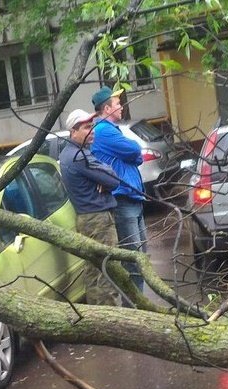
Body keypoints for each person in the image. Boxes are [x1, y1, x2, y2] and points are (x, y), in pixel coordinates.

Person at [58, 109, 123, 306]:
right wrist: (104, 176)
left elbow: (108, 178)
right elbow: (114, 179)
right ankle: (112, 322)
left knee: (94, 270)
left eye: (93, 126)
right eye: (87, 127)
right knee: (107, 270)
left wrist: (103, 175)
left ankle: (100, 318)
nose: (92, 131)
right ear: (73, 131)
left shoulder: (72, 153)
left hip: (89, 219)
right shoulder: (79, 156)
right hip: (98, 220)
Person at [90, 86, 147, 293]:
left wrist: (133, 154)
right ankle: (136, 311)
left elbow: (137, 156)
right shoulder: (102, 131)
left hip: (133, 199)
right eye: (117, 104)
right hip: (123, 201)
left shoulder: (112, 129)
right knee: (134, 261)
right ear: (106, 108)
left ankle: (141, 307)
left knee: (141, 257)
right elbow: (134, 149)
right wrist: (133, 153)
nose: (121, 107)